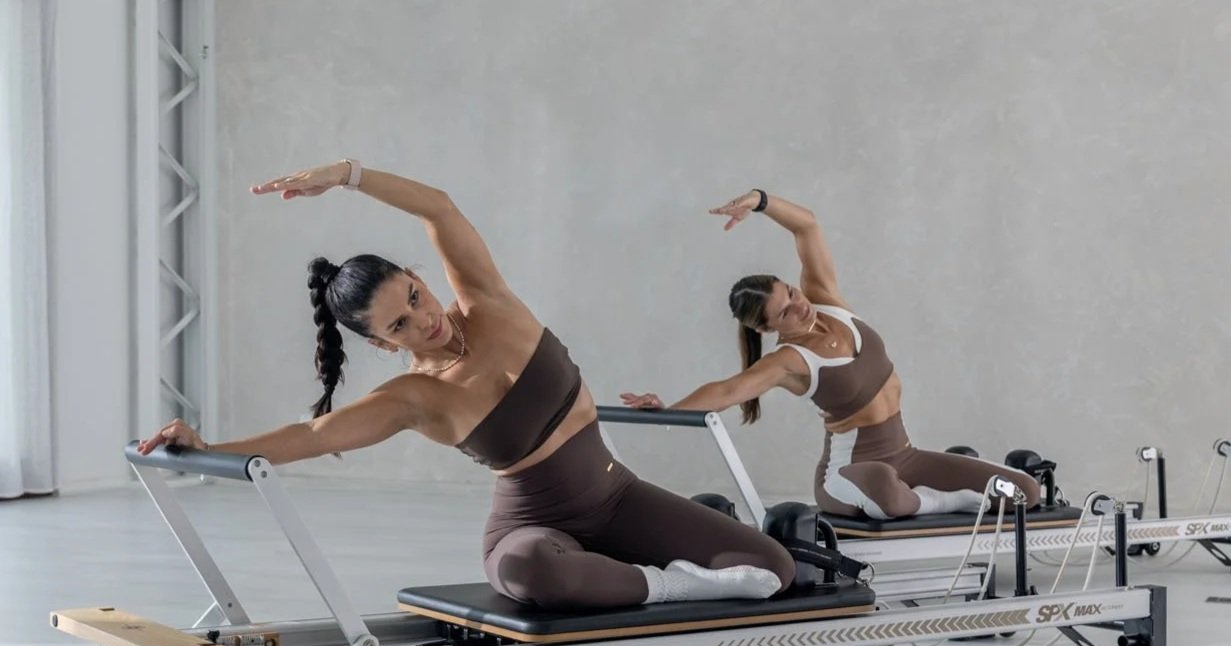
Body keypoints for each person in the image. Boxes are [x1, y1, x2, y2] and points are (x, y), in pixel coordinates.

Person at [137, 161, 795, 610]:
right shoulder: (416, 399)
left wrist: (345, 175)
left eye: (417, 297)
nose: (424, 320)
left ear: (422, 278)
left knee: (774, 570)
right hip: (534, 527)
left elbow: (438, 207)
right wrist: (203, 448)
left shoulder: (488, 302)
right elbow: (310, 436)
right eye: (400, 324)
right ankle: (668, 588)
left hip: (618, 499)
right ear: (379, 344)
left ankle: (664, 554)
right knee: (529, 571)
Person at [621, 189, 1040, 520]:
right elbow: (728, 390)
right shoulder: (789, 361)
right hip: (848, 474)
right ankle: (946, 503)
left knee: (1026, 492)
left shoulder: (825, 299)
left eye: (791, 292)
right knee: (885, 491)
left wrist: (759, 200)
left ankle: (934, 495)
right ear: (767, 329)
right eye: (785, 312)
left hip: (906, 454)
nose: (800, 305)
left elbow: (807, 227)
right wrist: (667, 411)